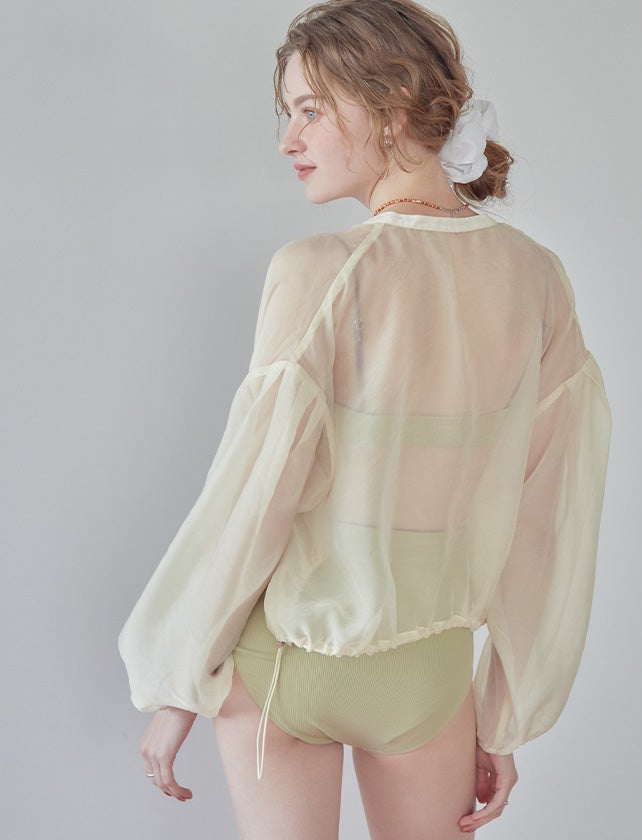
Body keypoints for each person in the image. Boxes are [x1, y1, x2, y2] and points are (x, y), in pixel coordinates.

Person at [117, 1, 613, 837]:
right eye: (289, 113)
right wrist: (504, 715)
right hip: (428, 676)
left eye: (310, 110)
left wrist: (177, 681)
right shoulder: (537, 277)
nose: (289, 139)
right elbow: (549, 518)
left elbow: (253, 497)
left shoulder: (319, 270)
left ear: (392, 106)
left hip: (285, 664)